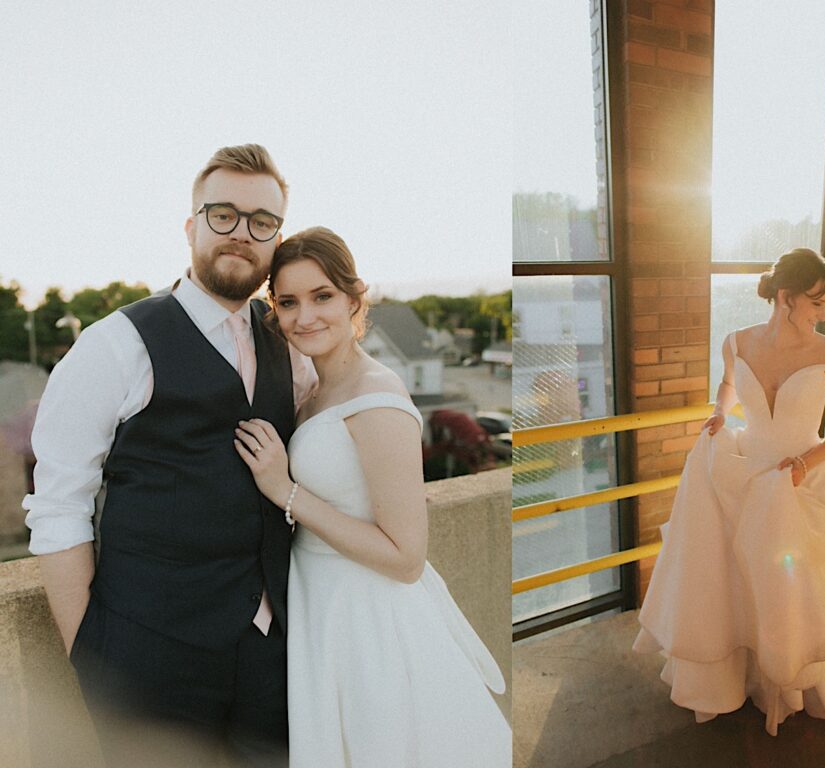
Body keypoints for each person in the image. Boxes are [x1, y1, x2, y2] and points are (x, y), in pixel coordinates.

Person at [24, 144, 315, 767]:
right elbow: (58, 505)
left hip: (274, 654)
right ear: (191, 226)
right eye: (223, 215)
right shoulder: (115, 345)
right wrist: (92, 654)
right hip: (148, 663)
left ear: (277, 239)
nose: (241, 234)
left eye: (262, 222)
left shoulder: (289, 345)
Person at [234, 226, 511, 767]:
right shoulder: (315, 390)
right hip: (323, 608)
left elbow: (406, 558)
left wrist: (284, 491)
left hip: (370, 618)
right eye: (287, 302)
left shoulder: (377, 398)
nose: (304, 316)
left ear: (354, 299)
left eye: (322, 297)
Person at [634, 248, 825, 735]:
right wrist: (721, 414)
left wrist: (804, 463)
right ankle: (739, 677)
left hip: (801, 482)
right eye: (817, 303)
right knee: (735, 578)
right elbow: (727, 385)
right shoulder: (735, 342)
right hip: (745, 472)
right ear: (785, 297)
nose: (824, 313)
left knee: (793, 587)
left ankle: (793, 679)